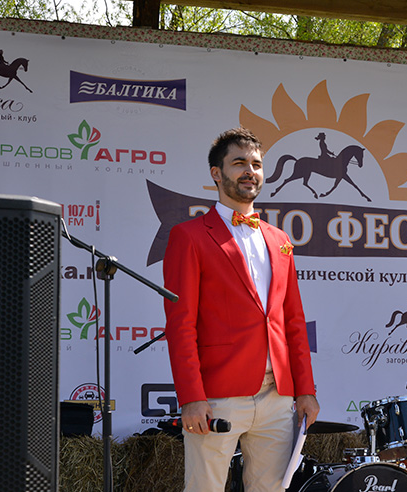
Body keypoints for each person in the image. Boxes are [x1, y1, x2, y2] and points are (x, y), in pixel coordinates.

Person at [163, 127, 320, 492]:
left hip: (278, 397)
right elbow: (181, 324)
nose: (250, 171)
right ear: (216, 174)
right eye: (239, 163)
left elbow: (293, 321)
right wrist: (191, 398)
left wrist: (305, 390)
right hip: (217, 395)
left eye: (256, 164)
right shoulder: (189, 236)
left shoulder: (280, 240)